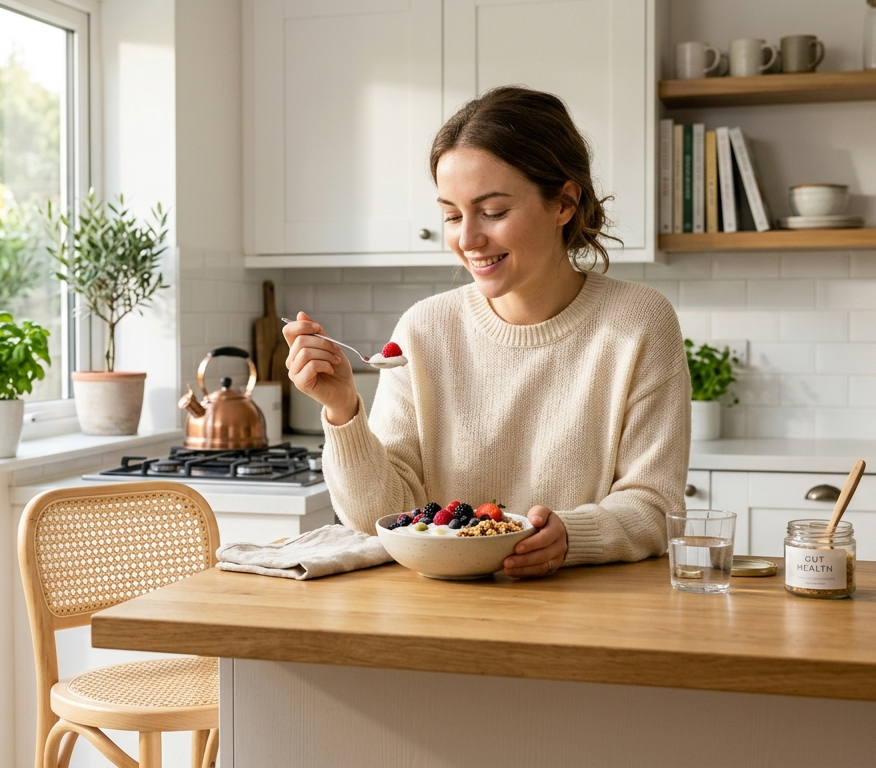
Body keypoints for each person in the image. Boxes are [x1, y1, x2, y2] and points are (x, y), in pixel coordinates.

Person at [283, 86, 689, 578]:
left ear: (563, 202)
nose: (468, 239)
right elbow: (381, 519)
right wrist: (342, 408)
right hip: (438, 613)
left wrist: (570, 537)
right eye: (452, 215)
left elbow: (653, 506)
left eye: (493, 212)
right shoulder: (424, 329)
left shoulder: (639, 322)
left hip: (585, 608)